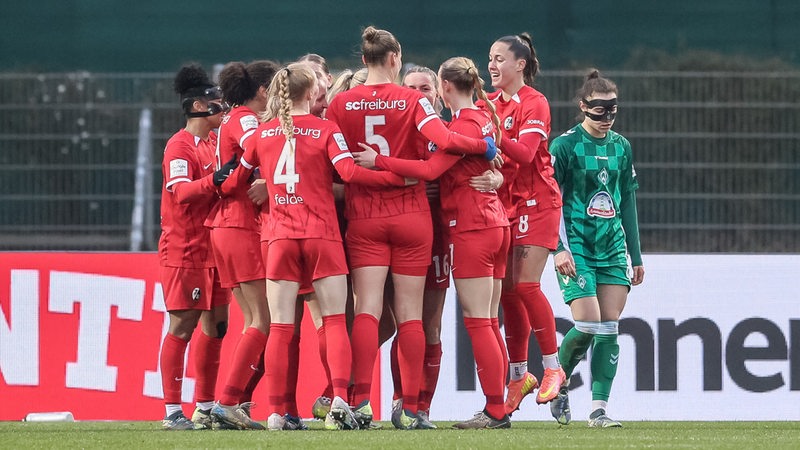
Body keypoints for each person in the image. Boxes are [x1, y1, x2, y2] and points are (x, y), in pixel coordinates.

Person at [325, 25, 497, 430]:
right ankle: (414, 410)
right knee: (411, 317)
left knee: (365, 310)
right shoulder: (413, 102)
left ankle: (361, 403)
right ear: (394, 58)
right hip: (412, 216)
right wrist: (486, 145)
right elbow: (444, 140)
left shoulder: (341, 105)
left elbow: (335, 168)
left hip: (364, 216)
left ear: (364, 61)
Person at [222, 63, 409, 431]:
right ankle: (340, 400)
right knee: (336, 320)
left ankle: (277, 412)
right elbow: (352, 174)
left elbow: (235, 181)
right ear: (310, 94)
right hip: (322, 236)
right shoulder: (327, 130)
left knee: (279, 327)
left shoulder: (262, 134)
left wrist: (224, 187)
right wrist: (398, 176)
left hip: (279, 238)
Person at [548, 69, 644, 428]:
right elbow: (548, 201)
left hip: (612, 249)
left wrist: (636, 256)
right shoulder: (565, 146)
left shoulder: (621, 146)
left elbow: (629, 202)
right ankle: (556, 378)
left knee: (609, 327)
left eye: (612, 111)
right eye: (598, 111)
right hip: (577, 248)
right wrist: (557, 248)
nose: (606, 119)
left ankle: (598, 410)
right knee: (587, 322)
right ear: (582, 106)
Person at [485, 33, 566, 414]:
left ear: (520, 64)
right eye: (489, 59)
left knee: (527, 284)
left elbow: (527, 153)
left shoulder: (534, 103)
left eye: (499, 58)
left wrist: (492, 135)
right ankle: (519, 375)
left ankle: (553, 367)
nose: (492, 65)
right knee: (508, 292)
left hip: (538, 203)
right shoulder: (490, 105)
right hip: (504, 204)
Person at [157, 64, 234, 430]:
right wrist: (214, 181)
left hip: (215, 246)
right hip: (185, 249)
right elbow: (181, 192)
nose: (223, 107)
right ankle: (173, 411)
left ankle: (204, 406)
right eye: (217, 102)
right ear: (200, 107)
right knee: (182, 327)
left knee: (217, 327)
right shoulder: (179, 145)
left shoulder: (215, 143)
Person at [206, 60, 278, 431]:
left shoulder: (233, 118)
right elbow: (262, 150)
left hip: (226, 224)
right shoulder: (248, 119)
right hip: (241, 223)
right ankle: (228, 401)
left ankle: (233, 402)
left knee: (253, 320)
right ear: (264, 90)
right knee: (262, 320)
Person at [386, 65, 447, 429]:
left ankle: (423, 407)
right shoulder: (393, 132)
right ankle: (399, 400)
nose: (419, 94)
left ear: (438, 94)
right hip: (401, 232)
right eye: (411, 88)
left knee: (432, 326)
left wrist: (494, 174)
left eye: (426, 88)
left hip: (439, 234)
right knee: (404, 324)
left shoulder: (448, 132)